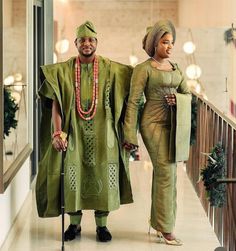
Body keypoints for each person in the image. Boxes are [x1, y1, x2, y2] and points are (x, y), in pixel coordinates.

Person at [36, 21, 133, 242]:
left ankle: (102, 226)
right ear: (75, 43)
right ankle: (74, 224)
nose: (87, 43)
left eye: (91, 40)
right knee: (73, 177)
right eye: (82, 40)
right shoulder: (64, 70)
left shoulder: (111, 68)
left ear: (97, 42)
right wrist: (57, 133)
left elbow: (132, 85)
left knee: (104, 177)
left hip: (104, 133)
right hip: (74, 133)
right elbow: (56, 104)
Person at [123, 20, 191, 246]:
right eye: (164, 42)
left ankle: (158, 221)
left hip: (173, 124)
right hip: (152, 124)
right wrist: (129, 135)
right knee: (165, 171)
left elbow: (188, 94)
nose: (169, 47)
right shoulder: (143, 69)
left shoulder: (176, 68)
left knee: (169, 173)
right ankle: (166, 228)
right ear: (154, 44)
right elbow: (133, 102)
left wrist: (178, 100)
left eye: (171, 42)